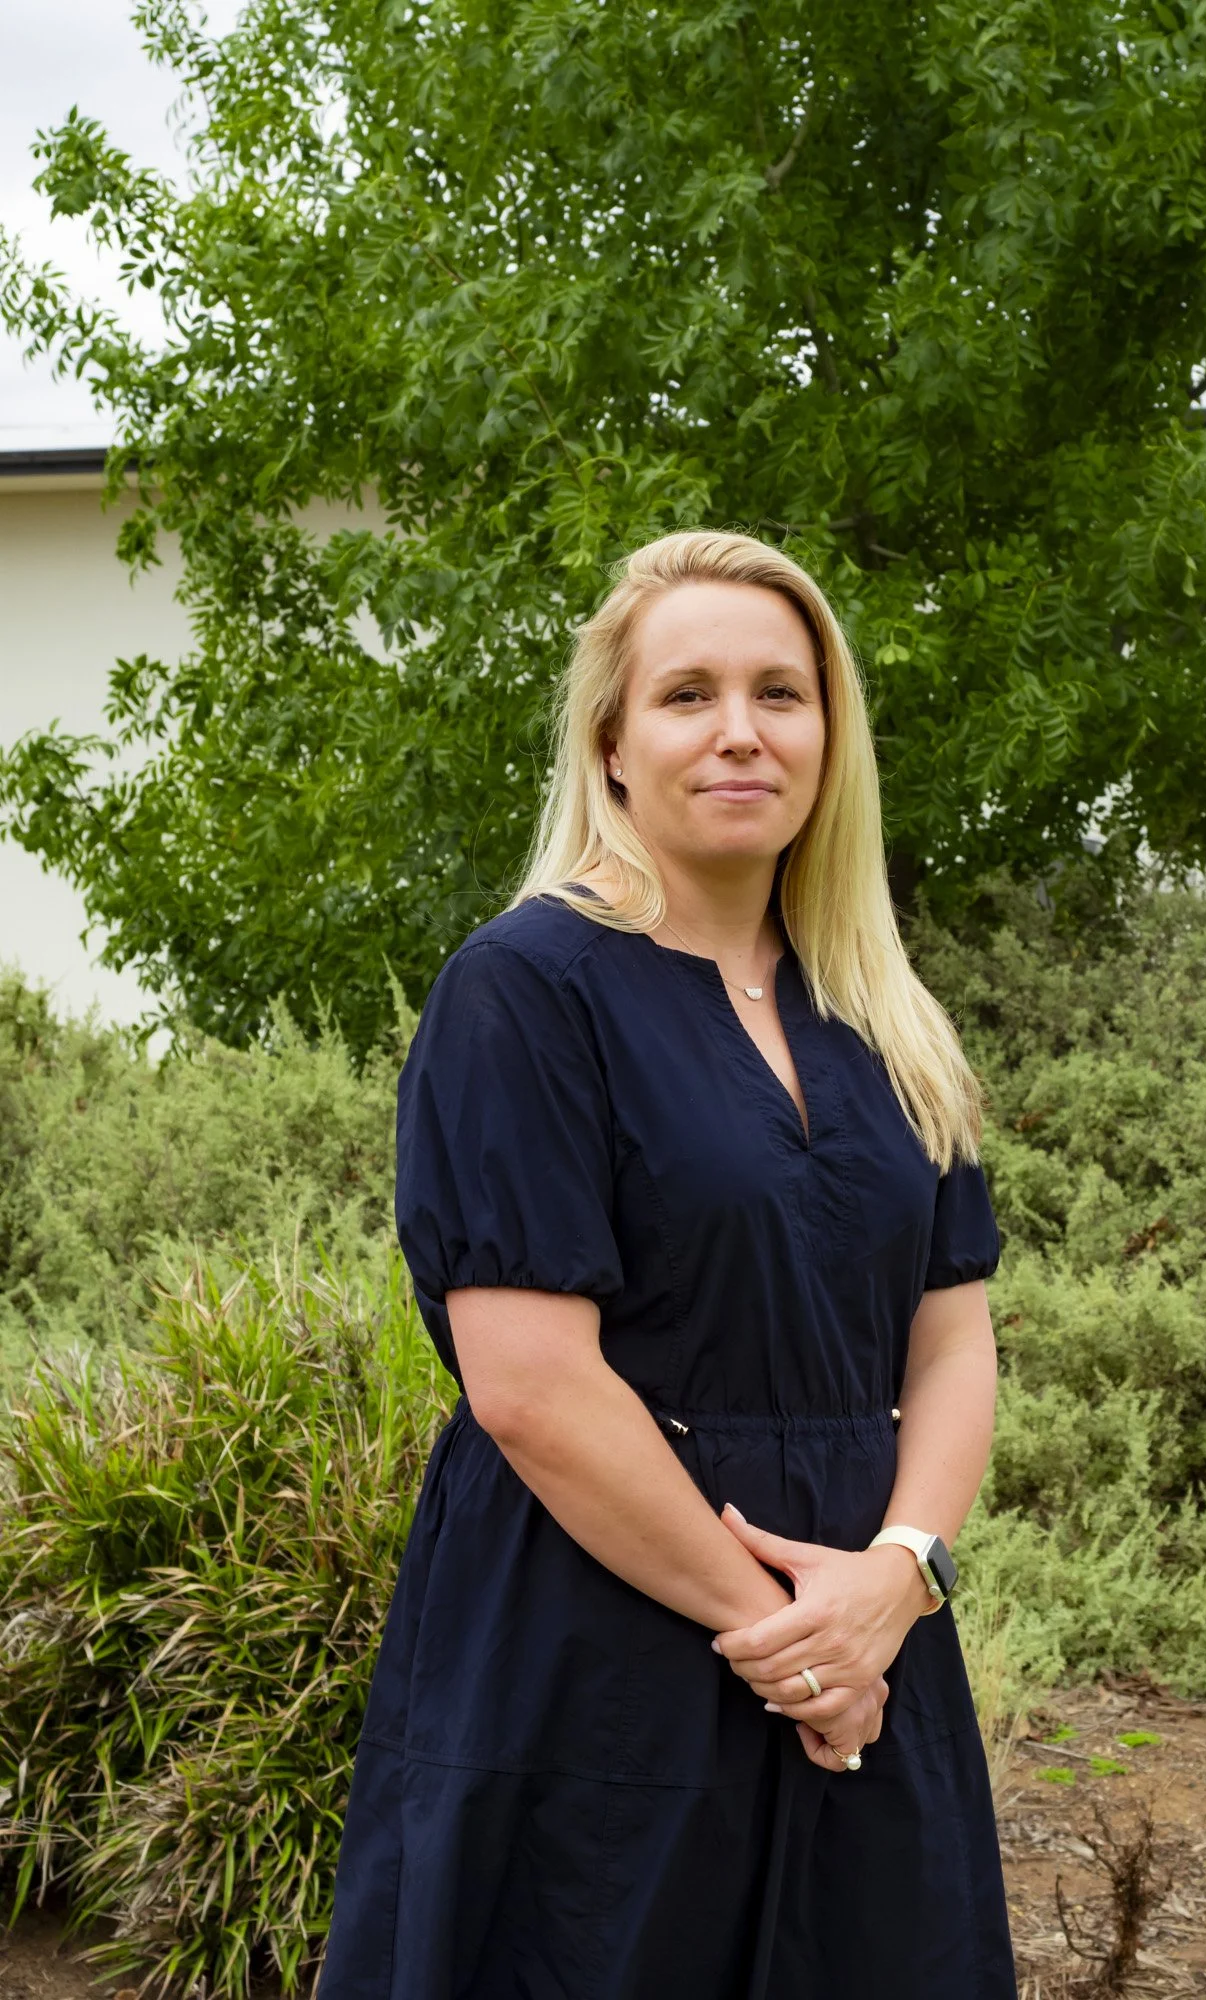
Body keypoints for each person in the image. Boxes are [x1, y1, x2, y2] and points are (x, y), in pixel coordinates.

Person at [318, 529, 1019, 1999]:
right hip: (600, 1652)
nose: (743, 732)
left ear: (831, 737)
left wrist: (899, 1580)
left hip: (871, 1643)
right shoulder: (522, 990)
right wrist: (787, 1638)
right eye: (689, 694)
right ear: (613, 744)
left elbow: (950, 1340)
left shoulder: (887, 1014)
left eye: (783, 692)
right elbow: (531, 1388)